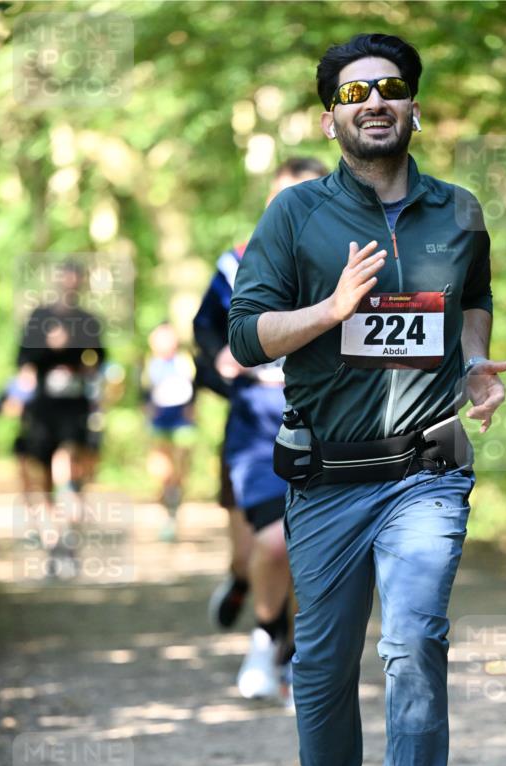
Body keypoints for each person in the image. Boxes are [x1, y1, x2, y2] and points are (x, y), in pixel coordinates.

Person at [229, 33, 506, 766]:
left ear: (414, 105)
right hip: (326, 478)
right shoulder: (294, 216)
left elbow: (474, 297)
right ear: (332, 118)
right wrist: (327, 309)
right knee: (321, 660)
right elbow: (246, 338)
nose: (374, 101)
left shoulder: (458, 210)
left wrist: (471, 363)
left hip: (427, 468)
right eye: (356, 93)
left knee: (414, 640)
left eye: (390, 87)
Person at [194, 158, 327, 701]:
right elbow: (205, 335)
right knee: (269, 544)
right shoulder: (237, 264)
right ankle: (263, 636)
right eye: (283, 197)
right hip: (256, 424)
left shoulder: (351, 262)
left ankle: (292, 653)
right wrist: (224, 365)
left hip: (327, 423)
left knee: (304, 548)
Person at [14, 258, 106, 576]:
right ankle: (54, 543)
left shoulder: (88, 320)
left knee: (67, 468)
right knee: (40, 482)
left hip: (74, 410)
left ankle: (66, 542)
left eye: (74, 278)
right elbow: (24, 359)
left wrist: (76, 352)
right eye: (64, 277)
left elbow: (98, 359)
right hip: (42, 412)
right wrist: (49, 347)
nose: (69, 283)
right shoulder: (38, 317)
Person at [143, 322, 197, 541]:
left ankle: (174, 505)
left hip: (182, 422)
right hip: (159, 422)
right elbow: (144, 394)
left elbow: (194, 389)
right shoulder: (149, 364)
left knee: (179, 469)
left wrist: (192, 412)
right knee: (160, 469)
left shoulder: (185, 362)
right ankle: (167, 502)